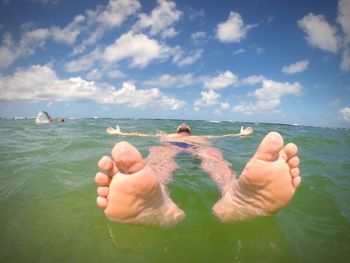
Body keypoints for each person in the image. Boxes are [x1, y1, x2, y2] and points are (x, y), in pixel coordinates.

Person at [95, 124, 300, 227]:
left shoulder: (199, 137)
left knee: (213, 156)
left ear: (188, 130)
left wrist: (241, 134)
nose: (183, 126)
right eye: (181, 126)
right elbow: (140, 135)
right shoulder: (166, 136)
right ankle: (156, 200)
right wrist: (119, 133)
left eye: (186, 127)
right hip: (170, 146)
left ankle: (234, 194)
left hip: (198, 146)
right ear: (177, 129)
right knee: (160, 158)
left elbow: (223, 136)